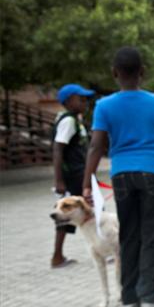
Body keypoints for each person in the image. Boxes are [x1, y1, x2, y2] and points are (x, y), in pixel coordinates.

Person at [82, 47, 154, 307]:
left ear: (114, 73)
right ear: (142, 72)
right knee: (153, 234)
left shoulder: (104, 106)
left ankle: (130, 295)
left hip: (121, 174)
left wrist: (87, 183)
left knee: (129, 233)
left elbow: (96, 146)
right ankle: (150, 298)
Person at [51, 83, 95, 268]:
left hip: (80, 173)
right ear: (68, 102)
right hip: (73, 176)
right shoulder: (68, 121)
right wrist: (59, 180)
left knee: (72, 213)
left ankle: (58, 256)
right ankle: (105, 250)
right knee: (90, 209)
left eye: (86, 99)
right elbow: (58, 149)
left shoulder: (77, 120)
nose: (85, 103)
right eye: (81, 99)